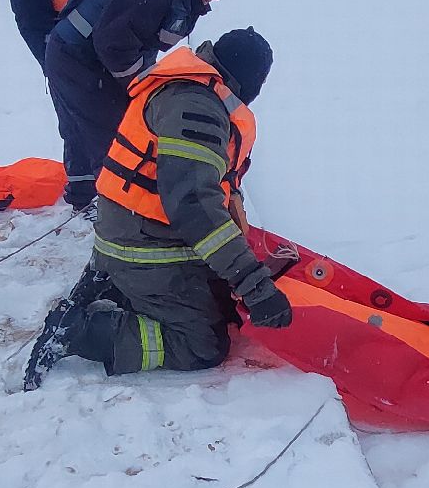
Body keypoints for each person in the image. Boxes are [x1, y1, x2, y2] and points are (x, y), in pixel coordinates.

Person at [24, 29, 290, 389]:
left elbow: (213, 185)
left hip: (139, 230)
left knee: (221, 301)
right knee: (203, 343)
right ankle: (81, 332)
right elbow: (194, 206)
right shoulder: (196, 108)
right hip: (141, 243)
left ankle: (116, 286)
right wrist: (254, 285)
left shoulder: (199, 92)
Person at [42, 0, 235, 212]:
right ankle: (116, 214)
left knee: (87, 128)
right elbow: (114, 46)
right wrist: (141, 89)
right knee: (114, 136)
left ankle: (84, 200)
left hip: (88, 56)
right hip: (75, 57)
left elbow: (139, 40)